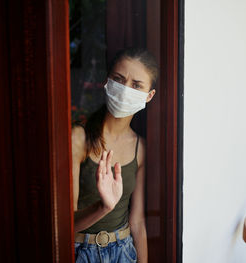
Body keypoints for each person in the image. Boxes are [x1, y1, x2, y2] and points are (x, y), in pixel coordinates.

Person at [72, 48, 158, 263]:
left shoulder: (141, 148)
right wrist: (103, 207)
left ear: (149, 96)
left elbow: (137, 221)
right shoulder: (79, 138)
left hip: (124, 251)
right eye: (119, 80)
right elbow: (65, 225)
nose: (125, 89)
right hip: (81, 252)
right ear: (107, 81)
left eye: (136, 85)